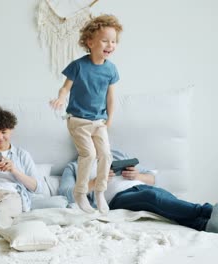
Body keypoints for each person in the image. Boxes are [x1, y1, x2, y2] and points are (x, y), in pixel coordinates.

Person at [59, 149, 218, 233]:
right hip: (116, 199)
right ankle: (210, 210)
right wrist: (96, 181)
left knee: (164, 200)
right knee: (152, 196)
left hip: (141, 186)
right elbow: (65, 193)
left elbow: (153, 178)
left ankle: (206, 225)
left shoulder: (117, 154)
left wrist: (138, 176)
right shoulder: (75, 167)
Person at [50, 15, 123, 214]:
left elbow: (110, 98)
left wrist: (110, 119)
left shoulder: (111, 70)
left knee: (106, 155)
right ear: (90, 42)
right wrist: (61, 99)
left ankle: (100, 192)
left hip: (99, 121)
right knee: (88, 154)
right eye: (105, 40)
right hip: (78, 121)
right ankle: (80, 193)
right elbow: (65, 88)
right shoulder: (79, 65)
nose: (110, 45)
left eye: (114, 41)